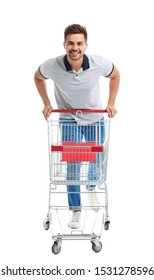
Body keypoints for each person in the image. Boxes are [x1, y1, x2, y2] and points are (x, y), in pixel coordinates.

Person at [34, 24, 120, 229]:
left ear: (86, 45)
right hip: (68, 118)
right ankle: (76, 210)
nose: (75, 47)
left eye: (79, 43)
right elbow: (38, 77)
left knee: (96, 157)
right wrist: (46, 103)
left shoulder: (99, 63)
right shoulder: (52, 65)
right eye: (71, 43)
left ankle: (91, 187)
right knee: (73, 165)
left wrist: (111, 103)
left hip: (94, 118)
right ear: (64, 45)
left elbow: (115, 75)